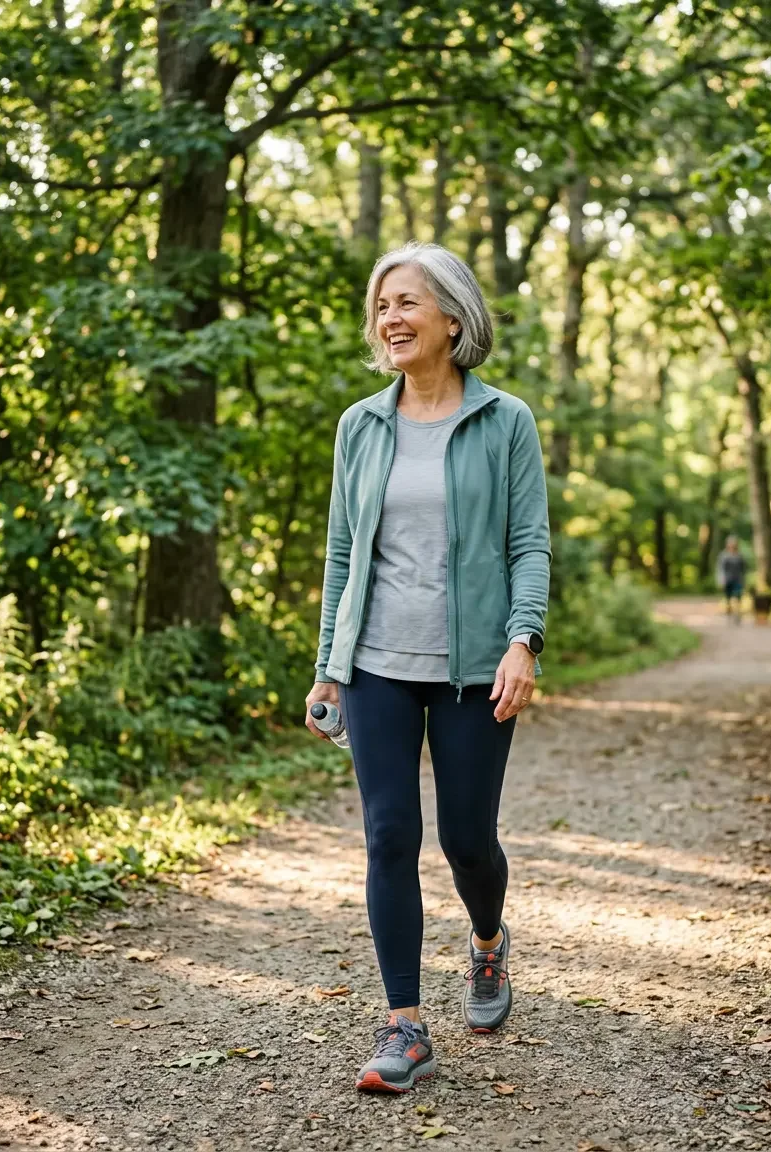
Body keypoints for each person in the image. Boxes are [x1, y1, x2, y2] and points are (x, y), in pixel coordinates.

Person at [305, 243, 551, 1093]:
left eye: (407, 302)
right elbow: (342, 554)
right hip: (375, 663)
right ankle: (404, 1024)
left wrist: (523, 640)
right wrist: (328, 665)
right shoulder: (360, 426)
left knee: (467, 840)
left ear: (453, 316)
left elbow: (528, 545)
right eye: (382, 307)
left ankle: (487, 940)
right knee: (387, 835)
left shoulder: (505, 421)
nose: (391, 319)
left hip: (473, 668)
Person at [716, 535, 747, 621]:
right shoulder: (723, 555)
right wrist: (721, 580)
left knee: (738, 597)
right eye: (731, 544)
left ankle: (737, 614)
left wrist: (744, 581)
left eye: (734, 544)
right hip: (727, 580)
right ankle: (729, 613)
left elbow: (743, 570)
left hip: (738, 580)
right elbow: (720, 569)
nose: (732, 545)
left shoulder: (739, 556)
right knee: (728, 598)